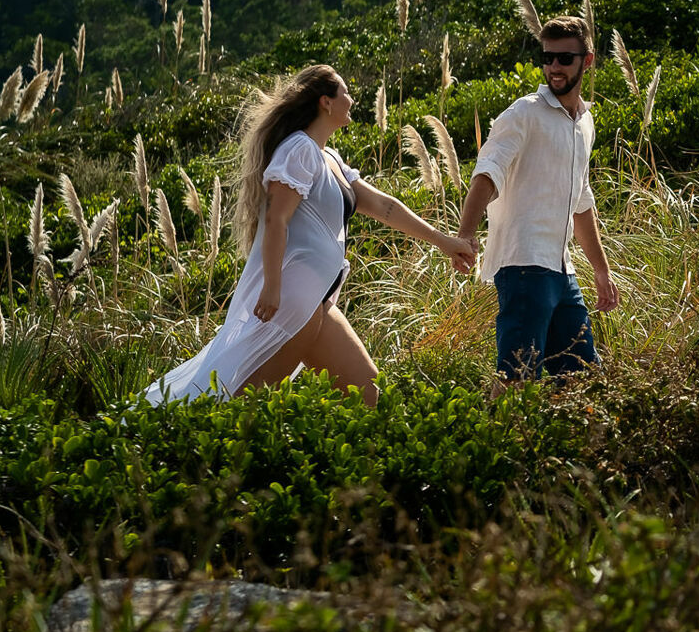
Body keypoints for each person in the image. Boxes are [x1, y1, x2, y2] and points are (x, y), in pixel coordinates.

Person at [146, 64, 476, 405]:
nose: (351, 98)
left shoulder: (328, 157)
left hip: (315, 302)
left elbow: (382, 206)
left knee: (369, 394)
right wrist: (272, 288)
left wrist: (443, 241)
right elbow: (276, 219)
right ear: (326, 103)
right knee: (246, 404)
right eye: (345, 93)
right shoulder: (298, 150)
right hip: (290, 302)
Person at [459, 14, 620, 388]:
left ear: (588, 60)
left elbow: (581, 201)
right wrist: (466, 234)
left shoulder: (584, 123)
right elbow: (487, 174)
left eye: (564, 59)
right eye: (547, 58)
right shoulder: (524, 113)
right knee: (516, 378)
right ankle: (496, 442)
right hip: (523, 267)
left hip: (562, 271)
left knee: (582, 379)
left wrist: (601, 269)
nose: (554, 68)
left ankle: (565, 445)